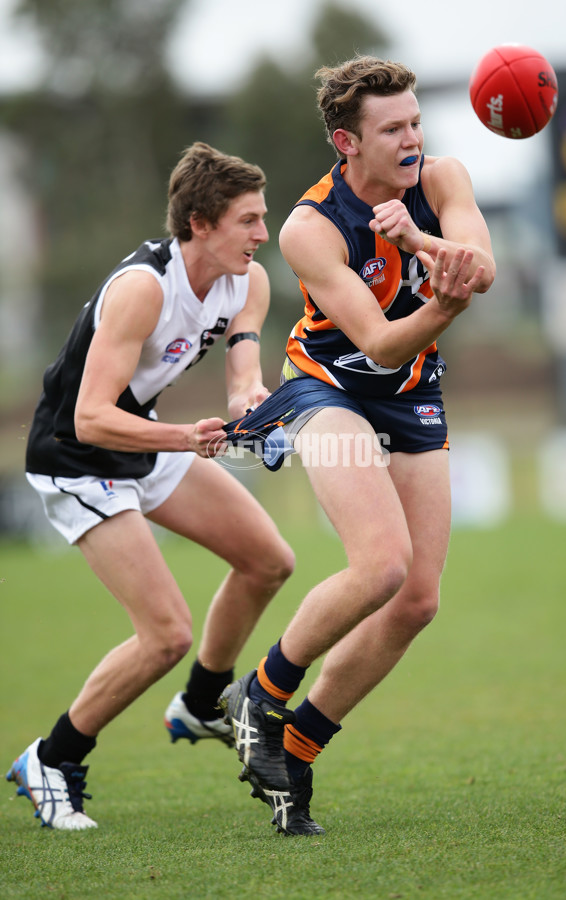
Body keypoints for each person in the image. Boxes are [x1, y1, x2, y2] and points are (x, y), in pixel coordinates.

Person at [219, 56, 496, 836]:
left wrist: (425, 243)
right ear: (348, 142)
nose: (413, 139)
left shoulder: (441, 180)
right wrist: (442, 298)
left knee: (417, 600)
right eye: (393, 129)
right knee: (381, 566)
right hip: (328, 388)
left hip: (412, 396)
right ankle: (261, 695)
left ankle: (293, 750)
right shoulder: (310, 226)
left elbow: (487, 269)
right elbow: (376, 344)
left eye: (415, 122)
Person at [5, 141, 295, 831]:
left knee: (268, 560)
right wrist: (189, 437)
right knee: (164, 633)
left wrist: (252, 405)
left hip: (147, 436)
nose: (263, 234)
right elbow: (90, 417)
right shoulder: (143, 288)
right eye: (248, 220)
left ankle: (200, 704)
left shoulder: (246, 280)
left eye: (263, 218)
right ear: (199, 223)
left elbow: (242, 373)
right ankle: (52, 758)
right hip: (75, 455)